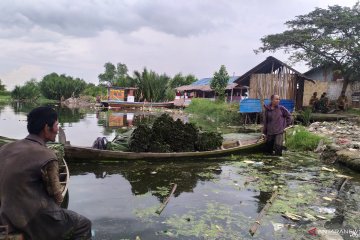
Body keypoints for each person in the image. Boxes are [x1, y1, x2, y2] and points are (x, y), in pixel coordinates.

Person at [0, 107, 91, 240]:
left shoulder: (4, 149)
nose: (57, 129)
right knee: (83, 224)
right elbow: (57, 197)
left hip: (5, 217)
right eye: (56, 125)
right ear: (46, 127)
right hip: (31, 222)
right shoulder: (47, 155)